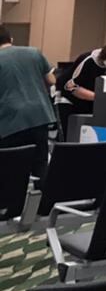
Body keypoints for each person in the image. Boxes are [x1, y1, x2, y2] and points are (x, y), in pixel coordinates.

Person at [0, 25, 57, 180]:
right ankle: (42, 194)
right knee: (40, 164)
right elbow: (52, 80)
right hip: (40, 116)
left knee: (11, 168)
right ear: (11, 39)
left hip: (10, 121)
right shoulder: (33, 52)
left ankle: (15, 196)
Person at [55, 44, 106, 140]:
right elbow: (71, 87)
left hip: (91, 100)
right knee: (67, 134)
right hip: (68, 98)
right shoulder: (87, 60)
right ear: (104, 58)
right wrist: (98, 97)